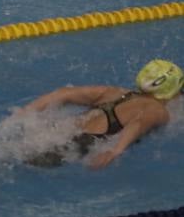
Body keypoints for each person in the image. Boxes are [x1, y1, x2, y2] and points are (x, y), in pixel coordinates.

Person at [21, 60, 182, 168]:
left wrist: (24, 113)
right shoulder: (157, 109)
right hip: (83, 144)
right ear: (170, 91)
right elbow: (139, 123)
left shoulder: (115, 93)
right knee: (29, 167)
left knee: (20, 156)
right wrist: (115, 151)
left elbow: (65, 93)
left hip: (63, 129)